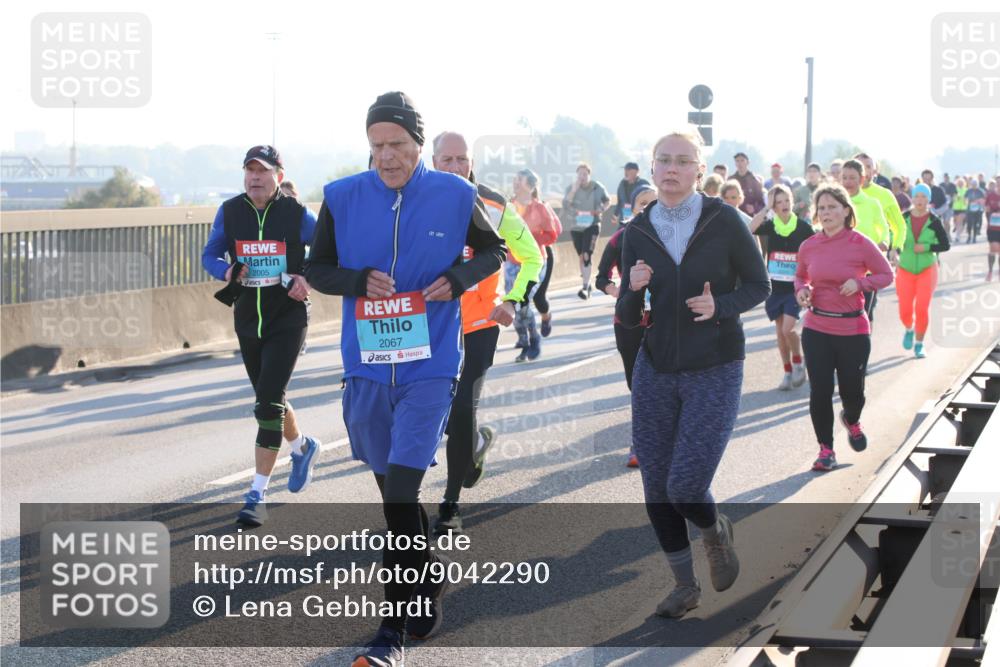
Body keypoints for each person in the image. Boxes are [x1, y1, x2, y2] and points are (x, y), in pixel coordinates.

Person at [305, 92, 506, 666]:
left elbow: (492, 251)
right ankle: (427, 575)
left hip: (430, 365)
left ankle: (390, 634)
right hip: (366, 369)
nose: (387, 156)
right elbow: (317, 269)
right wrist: (356, 279)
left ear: (419, 144)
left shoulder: (455, 193)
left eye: (397, 144)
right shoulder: (342, 197)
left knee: (399, 494)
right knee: (394, 497)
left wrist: (459, 275)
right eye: (376, 146)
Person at [617, 130, 770, 619]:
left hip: (716, 364)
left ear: (699, 171)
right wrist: (632, 290)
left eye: (683, 161)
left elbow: (759, 285)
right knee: (656, 487)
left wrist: (719, 306)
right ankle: (684, 586)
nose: (671, 168)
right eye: (663, 159)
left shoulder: (724, 220)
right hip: (656, 367)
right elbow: (625, 314)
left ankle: (714, 530)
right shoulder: (638, 229)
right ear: (652, 165)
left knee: (685, 485)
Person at [201, 145, 321, 526]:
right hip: (248, 319)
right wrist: (224, 272)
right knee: (269, 398)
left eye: (263, 171)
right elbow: (210, 254)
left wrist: (307, 276)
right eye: (249, 170)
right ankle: (302, 447)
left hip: (288, 317)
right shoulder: (231, 210)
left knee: (267, 403)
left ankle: (256, 494)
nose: (255, 177)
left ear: (278, 177)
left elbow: (327, 252)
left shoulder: (298, 214)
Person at [430, 131, 543, 535]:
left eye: (463, 159)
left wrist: (513, 300)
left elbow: (532, 257)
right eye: (447, 160)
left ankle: (450, 504)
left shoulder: (494, 205)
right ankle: (474, 444)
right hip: (429, 326)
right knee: (437, 411)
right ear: (433, 160)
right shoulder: (414, 200)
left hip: (478, 326)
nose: (456, 167)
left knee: (461, 408)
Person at [794, 183, 893, 472]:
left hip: (853, 330)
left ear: (846, 211)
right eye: (821, 208)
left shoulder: (860, 243)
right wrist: (802, 291)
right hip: (817, 327)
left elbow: (886, 274)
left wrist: (861, 283)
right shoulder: (809, 245)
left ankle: (851, 419)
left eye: (832, 207)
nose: (826, 213)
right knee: (820, 391)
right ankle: (826, 449)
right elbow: (800, 278)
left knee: (854, 392)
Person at [596, 183, 657, 467]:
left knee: (662, 384)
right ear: (632, 208)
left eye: (652, 202)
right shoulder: (621, 238)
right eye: (642, 203)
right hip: (629, 322)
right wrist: (620, 293)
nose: (647, 208)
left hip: (663, 321)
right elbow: (600, 277)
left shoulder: (671, 239)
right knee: (638, 385)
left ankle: (652, 441)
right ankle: (640, 442)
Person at [750, 185, 814, 390]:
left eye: (786, 200)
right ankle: (787, 371)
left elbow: (815, 250)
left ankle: (798, 361)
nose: (784, 205)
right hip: (775, 288)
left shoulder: (803, 227)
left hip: (795, 287)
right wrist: (765, 208)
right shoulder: (770, 226)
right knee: (780, 332)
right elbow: (750, 229)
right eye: (778, 202)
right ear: (774, 206)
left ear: (792, 202)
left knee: (788, 329)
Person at [897, 183, 950, 358]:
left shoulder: (934, 221)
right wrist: (894, 250)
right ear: (912, 198)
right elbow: (895, 239)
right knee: (905, 309)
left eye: (924, 197)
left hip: (927, 269)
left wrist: (927, 247)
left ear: (929, 199)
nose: (920, 200)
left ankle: (919, 344)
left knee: (922, 307)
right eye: (917, 196)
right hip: (905, 268)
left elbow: (945, 244)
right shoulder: (903, 218)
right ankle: (909, 328)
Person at [512, 168, 562, 336]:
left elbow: (554, 232)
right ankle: (526, 336)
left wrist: (529, 239)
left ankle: (546, 317)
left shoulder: (541, 207)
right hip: (517, 259)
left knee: (538, 298)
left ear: (531, 187)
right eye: (515, 179)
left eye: (520, 180)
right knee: (519, 297)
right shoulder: (509, 205)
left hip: (541, 256)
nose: (516, 182)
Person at [840, 159, 890, 324]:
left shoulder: (872, 204)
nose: (848, 182)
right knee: (840, 312)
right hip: (839, 266)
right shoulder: (834, 203)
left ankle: (862, 345)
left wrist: (884, 242)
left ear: (862, 179)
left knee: (864, 315)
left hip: (866, 269)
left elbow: (884, 228)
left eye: (852, 178)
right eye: (844, 177)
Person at [562, 163, 610, 299]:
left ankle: (584, 286)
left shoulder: (597, 187)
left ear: (589, 174)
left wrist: (600, 210)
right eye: (579, 174)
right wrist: (574, 189)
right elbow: (565, 205)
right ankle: (587, 283)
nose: (582, 177)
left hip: (592, 224)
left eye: (584, 174)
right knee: (581, 256)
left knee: (587, 254)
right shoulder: (571, 188)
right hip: (576, 226)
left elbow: (607, 201)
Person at [855, 153, 906, 257]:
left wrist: (896, 249)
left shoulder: (885, 195)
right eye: (860, 166)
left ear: (875, 172)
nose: (864, 170)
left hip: (875, 262)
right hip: (847, 262)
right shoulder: (841, 194)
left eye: (868, 167)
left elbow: (899, 226)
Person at [614, 161, 651, 228]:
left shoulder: (644, 184)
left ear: (636, 171)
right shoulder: (622, 184)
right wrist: (615, 214)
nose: (625, 172)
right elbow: (620, 201)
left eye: (628, 170)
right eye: (625, 170)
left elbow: (650, 202)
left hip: (639, 222)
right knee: (620, 237)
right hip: (624, 220)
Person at [731, 152, 766, 216]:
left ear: (748, 163)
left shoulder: (754, 181)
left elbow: (761, 203)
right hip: (733, 214)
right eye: (737, 161)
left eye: (742, 160)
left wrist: (754, 208)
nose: (740, 163)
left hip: (749, 217)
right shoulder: (731, 180)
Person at [985, 179, 1000, 280]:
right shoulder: (990, 196)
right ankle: (990, 271)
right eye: (998, 182)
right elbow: (987, 210)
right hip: (993, 227)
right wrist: (991, 217)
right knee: (993, 249)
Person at [964, 178, 987, 244]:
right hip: (969, 209)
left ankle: (974, 237)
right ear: (971, 184)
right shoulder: (968, 191)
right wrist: (967, 202)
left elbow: (984, 199)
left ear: (977, 184)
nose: (974, 185)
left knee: (975, 224)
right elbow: (965, 198)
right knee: (969, 224)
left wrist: (978, 201)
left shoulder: (981, 191)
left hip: (978, 210)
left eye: (975, 184)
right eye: (973, 184)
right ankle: (969, 236)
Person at [951, 176, 968, 243]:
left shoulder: (966, 190)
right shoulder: (955, 189)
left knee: (959, 222)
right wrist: (956, 197)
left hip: (963, 208)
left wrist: (964, 199)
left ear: (964, 183)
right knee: (956, 222)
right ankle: (958, 233)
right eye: (959, 182)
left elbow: (967, 199)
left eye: (962, 182)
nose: (960, 184)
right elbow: (953, 198)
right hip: (956, 208)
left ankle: (958, 236)